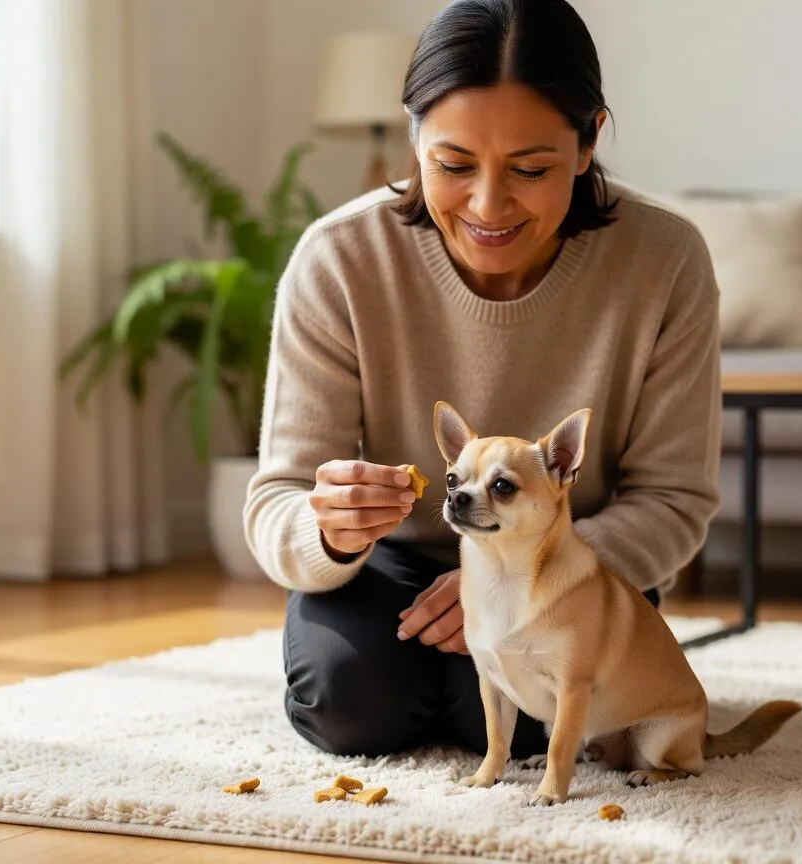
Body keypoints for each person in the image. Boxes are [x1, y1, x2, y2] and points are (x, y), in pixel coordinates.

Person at [244, 0, 721, 759]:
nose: (488, 205)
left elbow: (673, 499)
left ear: (590, 140)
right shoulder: (339, 258)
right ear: (413, 137)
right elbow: (279, 497)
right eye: (453, 165)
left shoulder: (665, 261)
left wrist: (534, 574)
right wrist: (328, 528)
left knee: (523, 724)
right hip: (394, 560)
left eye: (531, 169)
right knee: (350, 705)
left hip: (568, 563)